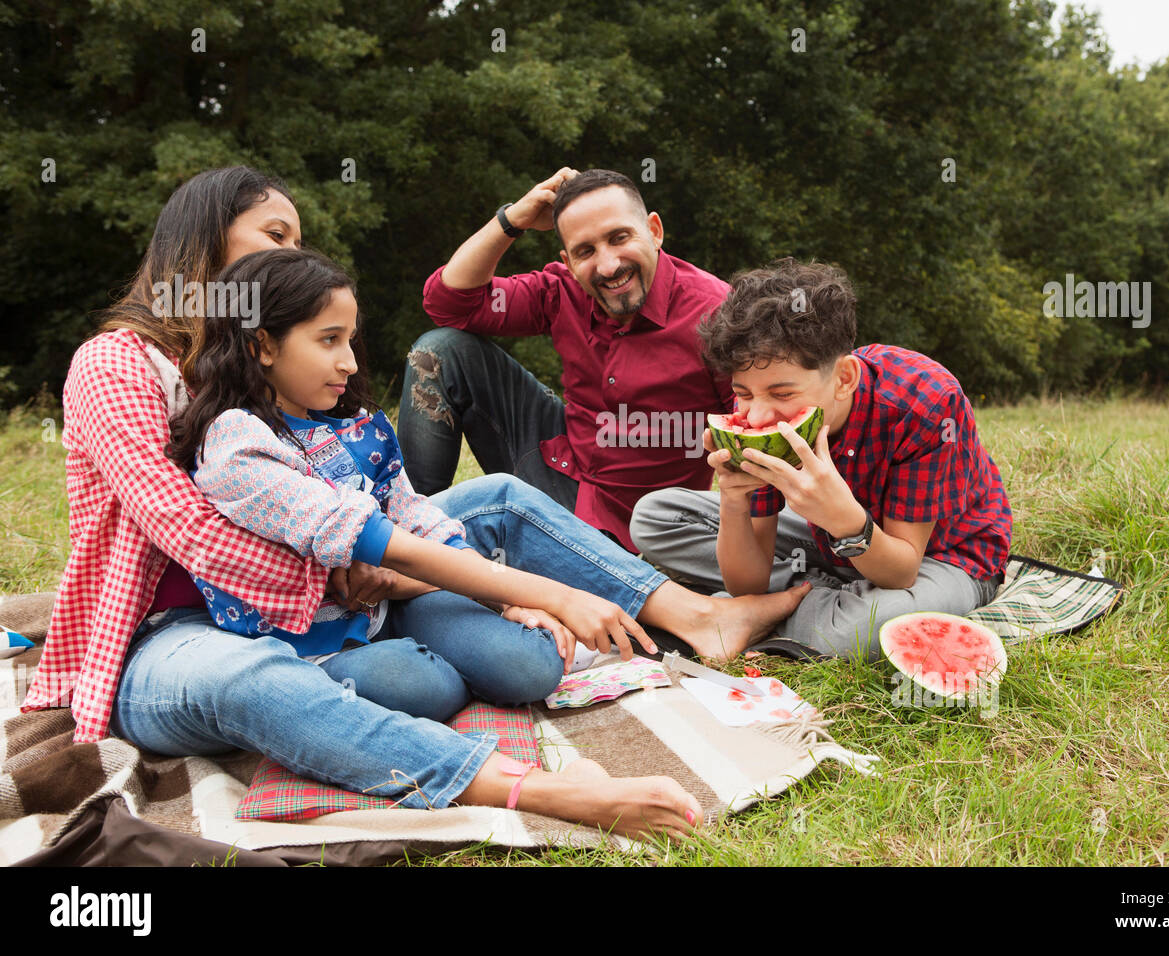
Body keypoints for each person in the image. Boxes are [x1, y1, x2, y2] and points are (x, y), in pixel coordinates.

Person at [23, 166, 806, 838]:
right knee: (246, 680)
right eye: (273, 236)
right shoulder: (117, 362)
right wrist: (388, 574)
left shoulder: (274, 365)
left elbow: (373, 496)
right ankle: (524, 784)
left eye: (296, 240)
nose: (292, 254)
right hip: (183, 628)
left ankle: (695, 614)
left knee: (497, 499)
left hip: (348, 584)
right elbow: (191, 529)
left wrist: (418, 569)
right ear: (204, 244)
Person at [630, 259, 1013, 661]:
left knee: (852, 635)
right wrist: (732, 500)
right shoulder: (763, 399)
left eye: (782, 395)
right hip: (823, 540)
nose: (758, 417)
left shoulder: (926, 401)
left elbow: (901, 572)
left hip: (940, 558)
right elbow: (748, 583)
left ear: (844, 378)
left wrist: (842, 518)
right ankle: (818, 595)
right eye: (743, 394)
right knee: (654, 516)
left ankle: (766, 609)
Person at [399, 167, 734, 551]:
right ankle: (414, 536)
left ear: (654, 231)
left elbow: (753, 424)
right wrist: (512, 220)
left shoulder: (718, 314)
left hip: (641, 525)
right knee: (439, 350)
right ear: (569, 261)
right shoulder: (563, 291)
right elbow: (448, 303)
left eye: (619, 238)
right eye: (586, 251)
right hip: (558, 468)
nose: (609, 266)